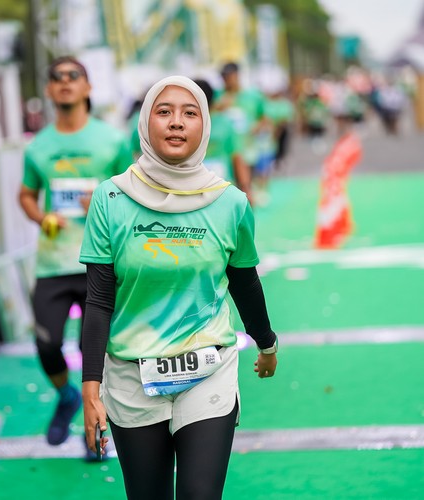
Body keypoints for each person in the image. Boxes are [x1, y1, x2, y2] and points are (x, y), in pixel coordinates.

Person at [80, 76, 278, 499]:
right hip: (132, 376)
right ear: (144, 123)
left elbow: (244, 281)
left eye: (190, 113)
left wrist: (267, 343)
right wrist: (90, 387)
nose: (176, 122)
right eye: (164, 111)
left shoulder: (231, 202)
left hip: (208, 370)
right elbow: (98, 300)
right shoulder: (110, 199)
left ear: (204, 125)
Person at [18, 56, 133, 456]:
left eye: (73, 76)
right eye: (57, 77)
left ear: (87, 87)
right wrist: (41, 217)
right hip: (52, 262)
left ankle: (94, 433)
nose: (65, 82)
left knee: (93, 354)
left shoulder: (113, 140)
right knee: (46, 343)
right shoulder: (38, 146)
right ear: (49, 89)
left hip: (99, 260)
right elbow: (26, 194)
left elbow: (133, 193)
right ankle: (66, 396)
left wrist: (104, 202)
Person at [193, 78, 253, 204]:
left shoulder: (182, 126)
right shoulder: (225, 123)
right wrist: (246, 189)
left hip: (193, 191)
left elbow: (236, 156)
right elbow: (237, 157)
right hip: (222, 190)